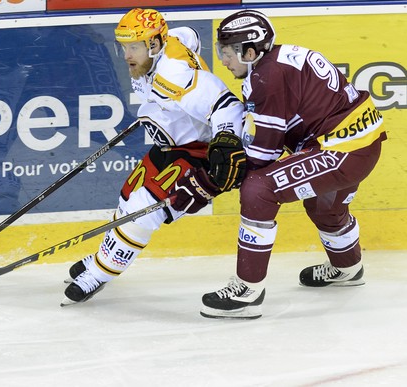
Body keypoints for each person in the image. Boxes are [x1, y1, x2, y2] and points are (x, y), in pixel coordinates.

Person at [172, 10, 386, 319]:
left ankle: (248, 289)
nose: (224, 60)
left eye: (228, 52)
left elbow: (263, 155)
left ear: (250, 51)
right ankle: (348, 267)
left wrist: (209, 183)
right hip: (361, 141)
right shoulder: (276, 62)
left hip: (342, 149)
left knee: (258, 190)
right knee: (323, 205)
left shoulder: (266, 76)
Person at [61, 8, 246, 306]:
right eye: (124, 46)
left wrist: (226, 142)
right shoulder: (170, 42)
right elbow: (190, 36)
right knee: (128, 197)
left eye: (134, 47)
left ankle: (99, 273)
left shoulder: (172, 74)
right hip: (170, 146)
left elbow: (227, 106)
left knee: (142, 208)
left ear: (155, 45)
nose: (127, 55)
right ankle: (107, 255)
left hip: (199, 153)